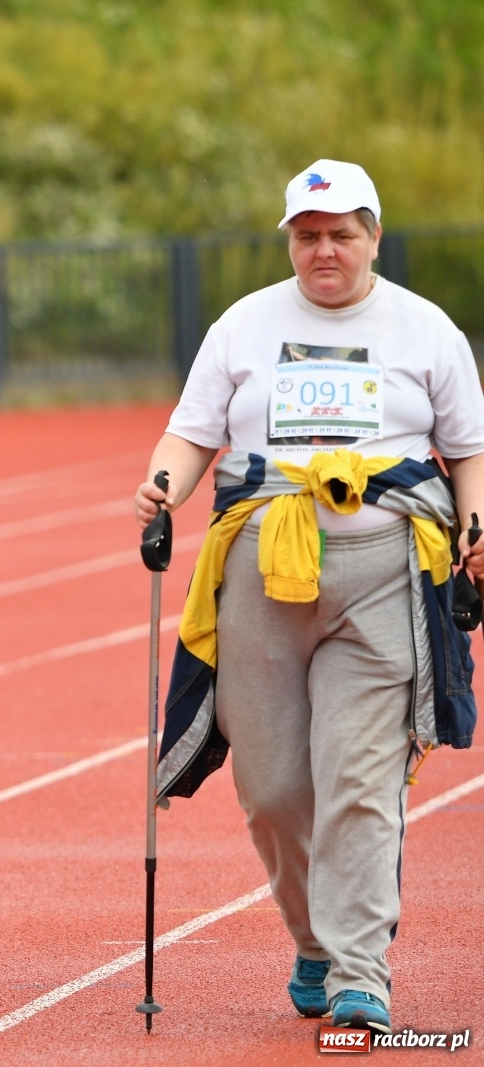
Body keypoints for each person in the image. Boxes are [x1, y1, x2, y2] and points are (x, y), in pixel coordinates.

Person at [135, 159, 483, 1035]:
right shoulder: (243, 324)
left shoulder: (426, 328)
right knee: (276, 786)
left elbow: (466, 447)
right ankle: (316, 941)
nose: (324, 250)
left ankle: (362, 968)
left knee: (359, 776)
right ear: (290, 238)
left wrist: (477, 530)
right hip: (261, 569)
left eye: (341, 233)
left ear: (373, 235)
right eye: (307, 235)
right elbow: (192, 432)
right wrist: (161, 486)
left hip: (384, 567)